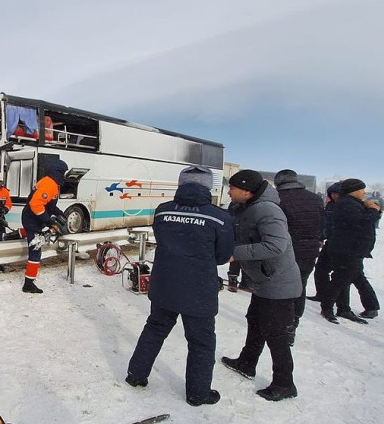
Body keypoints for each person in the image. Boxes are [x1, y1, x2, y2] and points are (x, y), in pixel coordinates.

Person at [126, 166, 234, 406]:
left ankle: (136, 374)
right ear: (208, 187)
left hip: (165, 284)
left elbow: (162, 239)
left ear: (181, 184)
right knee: (201, 342)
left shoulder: (163, 211)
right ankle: (198, 393)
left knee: (155, 329)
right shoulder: (219, 217)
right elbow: (222, 255)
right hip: (198, 289)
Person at [220, 169, 302, 402]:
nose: (228, 191)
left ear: (247, 191)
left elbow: (276, 245)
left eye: (232, 188)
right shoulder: (246, 207)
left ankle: (285, 384)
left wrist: (235, 253)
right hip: (264, 280)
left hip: (279, 282)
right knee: (255, 322)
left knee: (276, 334)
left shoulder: (267, 210)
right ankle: (247, 363)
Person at [319, 178, 381, 325]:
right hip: (346, 249)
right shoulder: (347, 204)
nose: (364, 192)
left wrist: (373, 209)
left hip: (350, 248)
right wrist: (373, 210)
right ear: (353, 191)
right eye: (361, 189)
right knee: (340, 280)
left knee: (345, 279)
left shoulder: (352, 203)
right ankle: (327, 308)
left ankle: (344, 308)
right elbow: (361, 222)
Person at [273, 169, 324, 344]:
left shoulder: (278, 199)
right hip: (309, 252)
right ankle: (292, 325)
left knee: (280, 288)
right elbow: (322, 225)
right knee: (300, 287)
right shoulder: (315, 199)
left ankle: (278, 324)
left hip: (286, 251)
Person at [21, 159, 68, 293]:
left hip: (34, 219)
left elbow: (48, 204)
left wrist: (59, 213)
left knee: (35, 241)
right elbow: (36, 204)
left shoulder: (52, 183)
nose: (64, 176)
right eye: (63, 173)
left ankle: (13, 235)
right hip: (32, 220)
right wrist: (49, 221)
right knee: (35, 250)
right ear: (58, 172)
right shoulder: (49, 184)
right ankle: (28, 284)